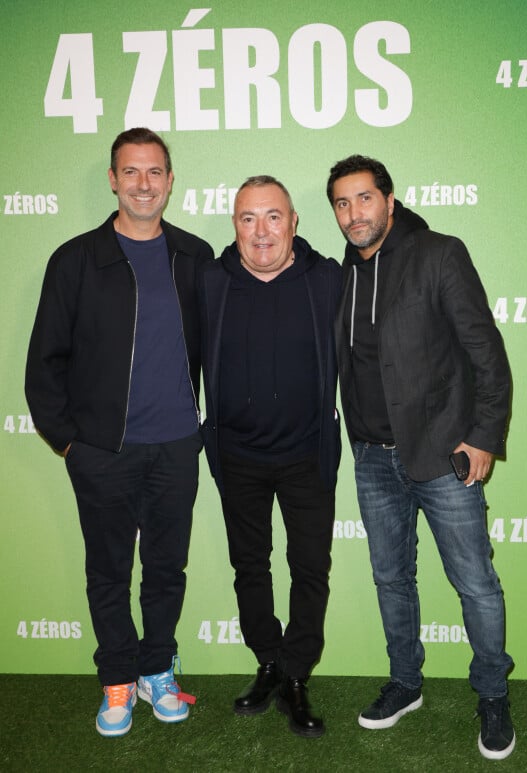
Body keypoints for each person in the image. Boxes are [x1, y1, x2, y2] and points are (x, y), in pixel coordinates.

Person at [25, 127, 214, 737]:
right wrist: (69, 441)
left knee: (166, 568)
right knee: (108, 570)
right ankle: (116, 679)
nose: (142, 184)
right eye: (130, 172)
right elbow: (44, 362)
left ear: (169, 180)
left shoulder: (195, 255)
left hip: (177, 446)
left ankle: (158, 668)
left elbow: (222, 345)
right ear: (112, 180)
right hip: (102, 452)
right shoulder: (75, 260)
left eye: (154, 171)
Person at [326, 155, 515, 760]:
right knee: (391, 579)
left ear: (388, 199)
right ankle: (406, 683)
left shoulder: (439, 253)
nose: (354, 213)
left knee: (475, 584)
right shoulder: (342, 276)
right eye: (342, 203)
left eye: (363, 199)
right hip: (372, 458)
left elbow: (486, 350)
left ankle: (492, 694)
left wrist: (484, 434)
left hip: (444, 454)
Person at [198, 175, 341, 738]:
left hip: (307, 454)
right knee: (249, 567)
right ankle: (269, 663)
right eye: (247, 218)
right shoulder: (209, 281)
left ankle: (298, 674)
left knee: (311, 568)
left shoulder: (327, 277)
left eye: (273, 217)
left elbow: (393, 251)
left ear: (294, 222)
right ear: (234, 225)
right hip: (237, 456)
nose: (261, 232)